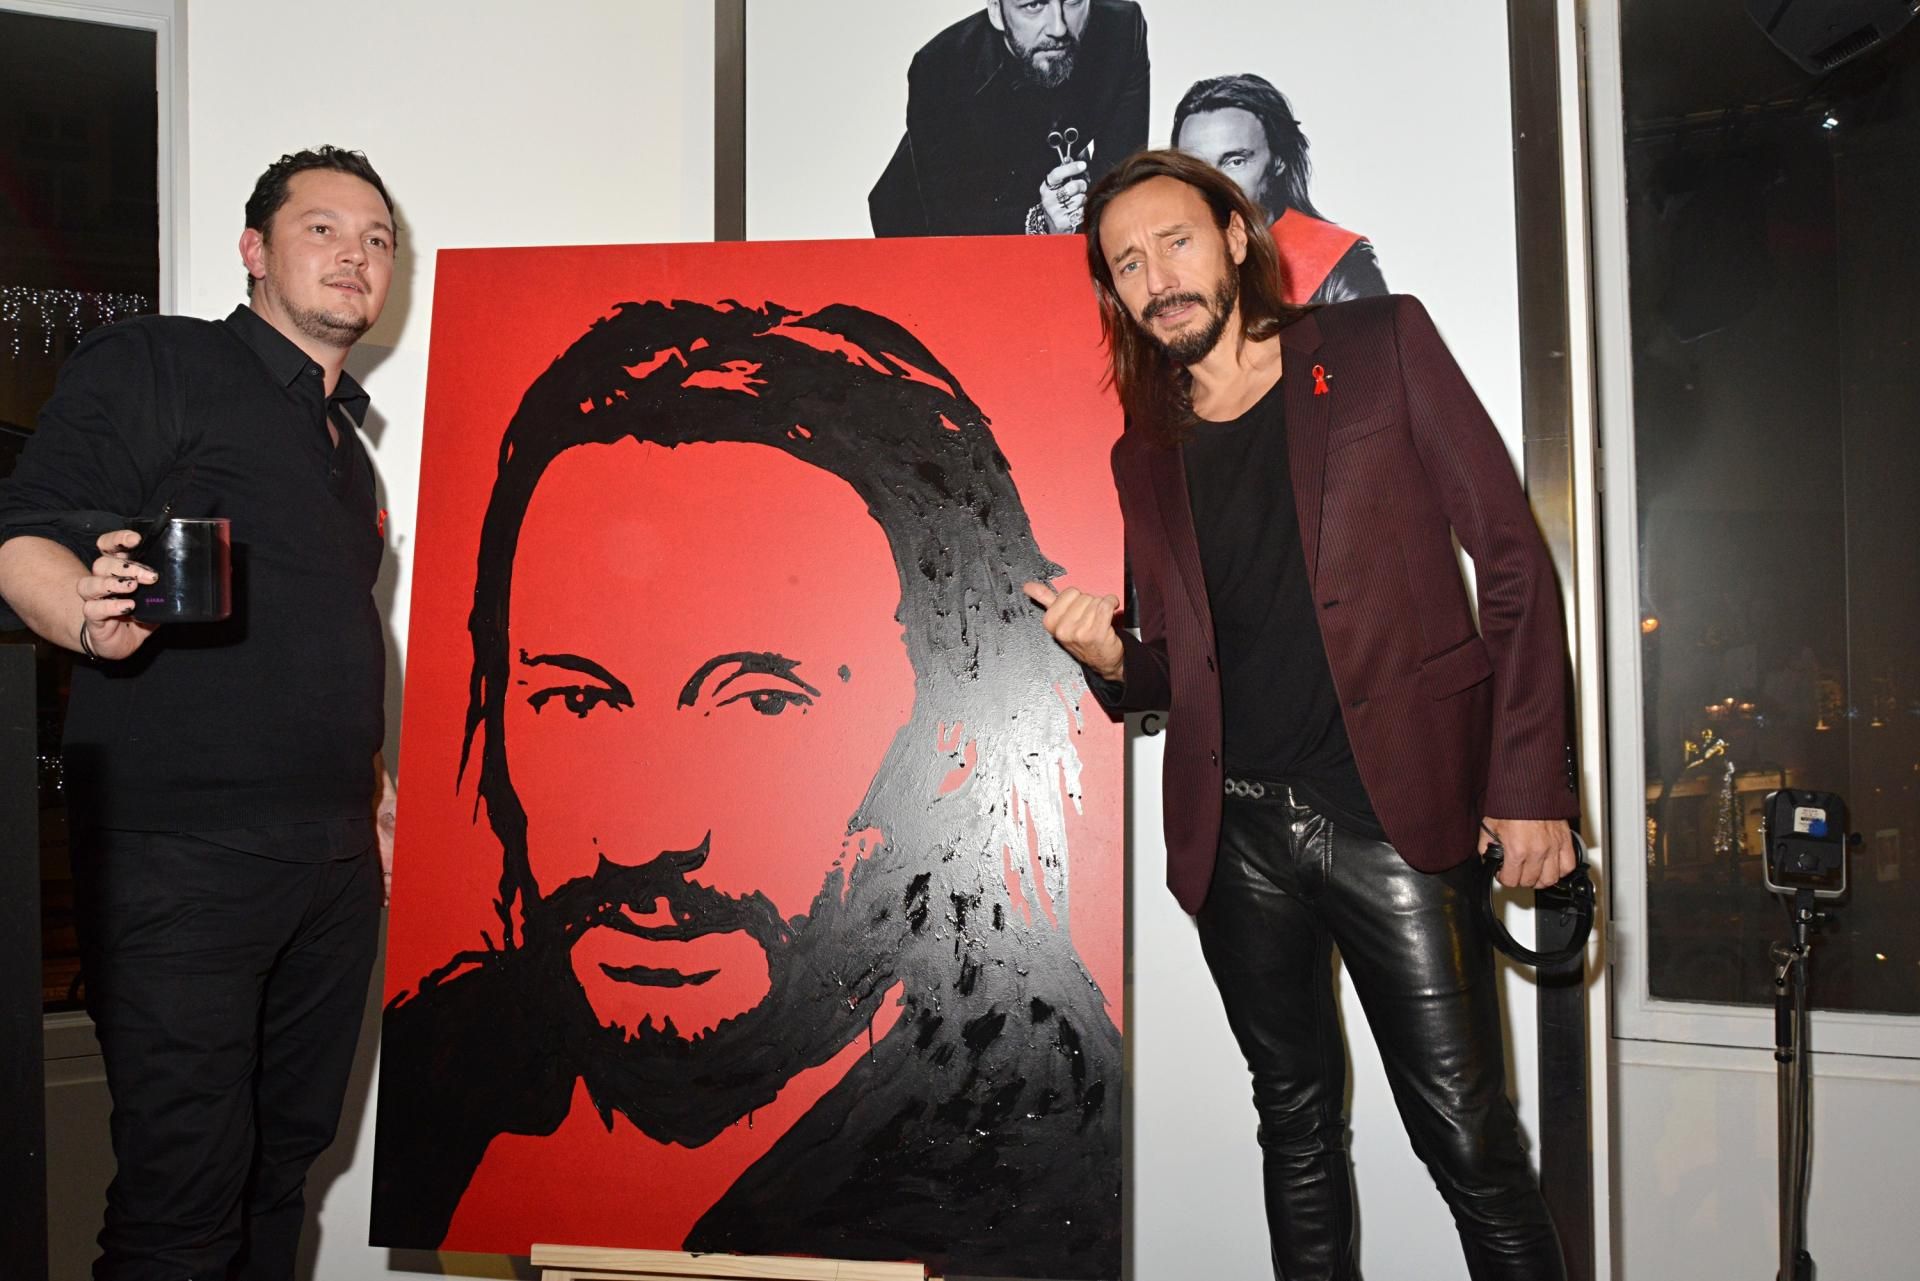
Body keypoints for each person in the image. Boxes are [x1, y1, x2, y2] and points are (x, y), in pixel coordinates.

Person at [370, 298, 1121, 1280]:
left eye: (761, 702)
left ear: (949, 738)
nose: (643, 837)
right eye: (577, 700)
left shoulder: (1032, 1160)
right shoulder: (445, 1066)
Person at [1027, 148, 1577, 1279]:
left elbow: (1514, 564)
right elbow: (1178, 670)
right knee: (1294, 1125)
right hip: (1237, 840)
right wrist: (1111, 659)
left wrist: (1527, 785)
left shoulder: (1379, 348)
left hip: (1394, 818)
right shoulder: (1145, 452)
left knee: (1471, 1146)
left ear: (1236, 236)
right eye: (1127, 263)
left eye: (1175, 241)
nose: (1156, 278)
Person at [0, 146, 399, 1279]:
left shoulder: (350, 456)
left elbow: (314, 638)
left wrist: (371, 789)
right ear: (253, 250)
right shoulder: (163, 361)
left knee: (280, 1172)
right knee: (183, 1195)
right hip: (183, 855)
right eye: (323, 229)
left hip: (331, 864)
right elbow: (24, 529)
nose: (356, 255)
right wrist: (85, 619)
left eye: (377, 240)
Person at [869, 0, 1150, 237]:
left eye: (1072, 1)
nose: (1058, 28)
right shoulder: (940, 68)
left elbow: (1121, 178)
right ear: (996, 10)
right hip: (923, 222)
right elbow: (952, 220)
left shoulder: (1122, 29)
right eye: (1033, 5)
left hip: (1048, 184)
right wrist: (1040, 222)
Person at [1171, 74, 1389, 306]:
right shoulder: (1163, 266)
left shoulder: (1340, 263)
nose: (1213, 182)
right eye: (1195, 166)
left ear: (1279, 160)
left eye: (1235, 162)